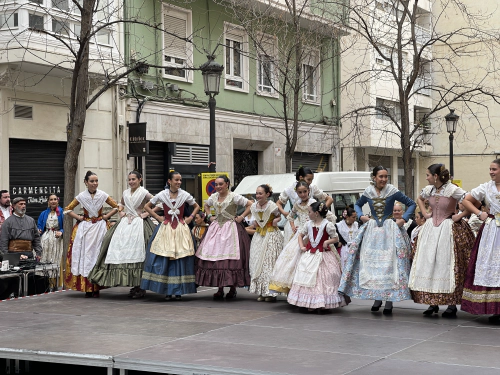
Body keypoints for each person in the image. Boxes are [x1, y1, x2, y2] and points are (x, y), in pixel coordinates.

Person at [339, 166, 416, 315]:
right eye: (381, 176)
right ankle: (377, 298)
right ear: (374, 177)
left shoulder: (392, 191)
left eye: (386, 176)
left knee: (389, 265)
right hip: (373, 231)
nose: (384, 179)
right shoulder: (368, 192)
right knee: (373, 267)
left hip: (390, 229)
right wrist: (361, 216)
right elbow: (357, 204)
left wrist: (403, 219)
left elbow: (411, 203)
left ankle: (389, 301)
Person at [408, 164, 475, 318]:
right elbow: (419, 198)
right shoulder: (429, 190)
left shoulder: (452, 189)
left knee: (448, 264)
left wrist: (460, 215)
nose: (426, 178)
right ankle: (433, 302)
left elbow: (473, 201)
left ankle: (451, 305)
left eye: (428, 175)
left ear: (436, 176)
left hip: (448, 228)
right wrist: (425, 212)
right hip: (431, 230)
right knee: (430, 264)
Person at [88, 171, 156, 298]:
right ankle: (132, 283)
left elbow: (159, 202)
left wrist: (147, 214)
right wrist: (120, 213)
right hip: (125, 223)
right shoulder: (125, 192)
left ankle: (140, 286)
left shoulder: (144, 192)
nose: (131, 181)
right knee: (116, 247)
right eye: (129, 179)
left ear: (140, 179)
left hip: (139, 224)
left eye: (133, 179)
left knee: (141, 252)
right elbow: (120, 204)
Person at [141, 171, 200, 300]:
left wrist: (190, 218)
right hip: (166, 228)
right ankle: (167, 290)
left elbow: (196, 206)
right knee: (164, 258)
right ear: (169, 181)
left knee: (181, 259)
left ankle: (178, 290)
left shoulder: (184, 194)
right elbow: (147, 206)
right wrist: (157, 217)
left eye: (180, 180)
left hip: (180, 228)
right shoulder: (162, 194)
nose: (179, 182)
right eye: (176, 180)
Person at [195, 175, 253, 300]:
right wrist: (209, 216)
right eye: (216, 184)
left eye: (221, 184)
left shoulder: (234, 196)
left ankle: (232, 288)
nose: (218, 187)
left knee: (231, 259)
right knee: (216, 259)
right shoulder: (213, 197)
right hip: (216, 228)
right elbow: (206, 205)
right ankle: (220, 288)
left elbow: (250, 204)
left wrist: (241, 217)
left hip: (231, 228)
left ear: (227, 184)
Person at [64, 171, 119, 298]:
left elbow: (117, 206)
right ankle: (87, 287)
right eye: (92, 181)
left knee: (97, 255)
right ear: (86, 182)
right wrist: (79, 217)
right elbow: (67, 209)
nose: (95, 183)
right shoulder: (81, 196)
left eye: (96, 181)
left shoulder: (103, 195)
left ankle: (97, 286)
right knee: (86, 256)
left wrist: (106, 216)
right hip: (86, 228)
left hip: (100, 227)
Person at [288, 202, 348, 313]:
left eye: (309, 212)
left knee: (324, 277)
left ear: (316, 213)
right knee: (307, 276)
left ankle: (322, 302)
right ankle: (310, 302)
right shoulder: (308, 224)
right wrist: (302, 246)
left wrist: (327, 241)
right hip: (310, 254)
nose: (308, 214)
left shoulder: (327, 224)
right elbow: (300, 235)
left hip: (324, 255)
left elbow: (336, 238)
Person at [461, 159, 500, 323]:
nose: (491, 172)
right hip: (492, 230)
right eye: (490, 169)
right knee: (492, 267)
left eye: (494, 169)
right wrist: (479, 213)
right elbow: (465, 200)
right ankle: (495, 309)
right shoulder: (486, 187)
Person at [269, 181, 318, 294]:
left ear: (308, 191)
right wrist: (293, 226)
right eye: (300, 192)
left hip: (312, 233)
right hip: (300, 233)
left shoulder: (313, 202)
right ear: (297, 193)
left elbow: (318, 215)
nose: (302, 194)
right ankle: (294, 290)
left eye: (304, 191)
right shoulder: (297, 204)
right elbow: (290, 216)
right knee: (291, 260)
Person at [277, 167, 334, 245]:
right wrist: (284, 213)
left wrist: (320, 211)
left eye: (311, 180)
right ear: (301, 177)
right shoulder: (289, 189)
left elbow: (329, 199)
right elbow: (278, 203)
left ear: (308, 191)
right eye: (308, 179)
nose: (310, 182)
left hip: (312, 221)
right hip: (296, 224)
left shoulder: (312, 188)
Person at [248, 184, 284, 302]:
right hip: (259, 236)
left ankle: (270, 292)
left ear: (267, 194)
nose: (258, 196)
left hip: (271, 235)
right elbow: (255, 220)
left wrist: (275, 220)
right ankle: (262, 292)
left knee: (269, 263)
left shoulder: (272, 206)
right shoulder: (254, 206)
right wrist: (254, 224)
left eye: (260, 193)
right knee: (257, 262)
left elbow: (279, 217)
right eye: (257, 193)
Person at [37, 194, 64, 264]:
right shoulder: (44, 213)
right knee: (45, 254)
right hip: (46, 237)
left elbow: (66, 226)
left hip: (57, 238)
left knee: (56, 256)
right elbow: (39, 225)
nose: (53, 201)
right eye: (51, 199)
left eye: (55, 199)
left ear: (57, 201)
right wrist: (39, 230)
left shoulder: (62, 212)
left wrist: (61, 232)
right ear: (48, 201)